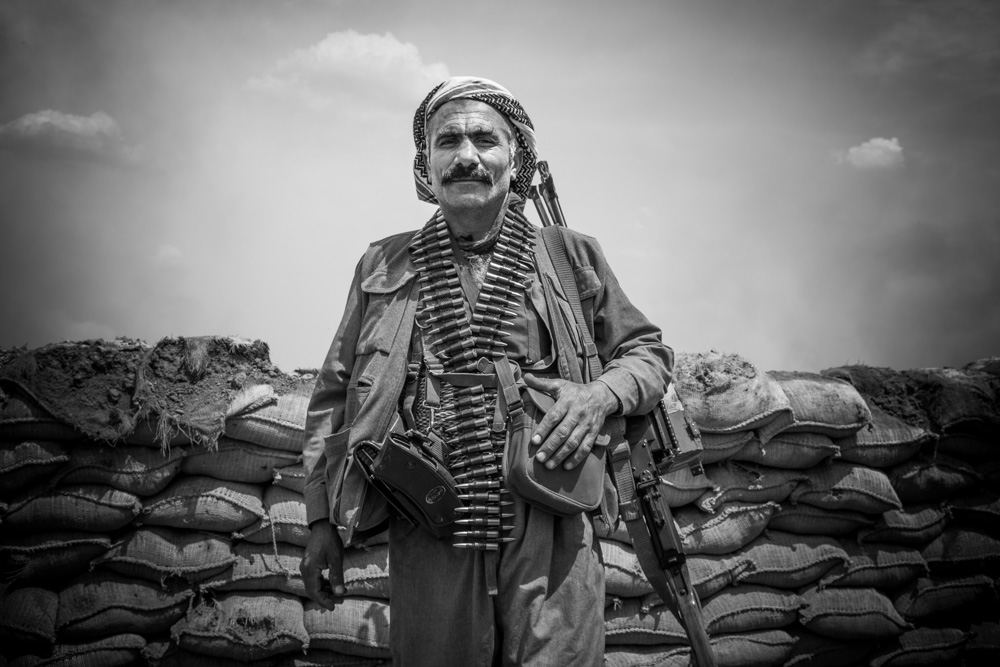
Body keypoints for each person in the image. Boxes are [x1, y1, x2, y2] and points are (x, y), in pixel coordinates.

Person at [301, 76, 673, 666]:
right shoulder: (382, 263)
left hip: (552, 500)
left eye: (485, 139)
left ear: (515, 157)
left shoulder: (571, 255)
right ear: (426, 162)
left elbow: (648, 354)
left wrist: (599, 396)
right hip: (432, 512)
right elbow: (333, 395)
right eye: (447, 141)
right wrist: (321, 521)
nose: (466, 155)